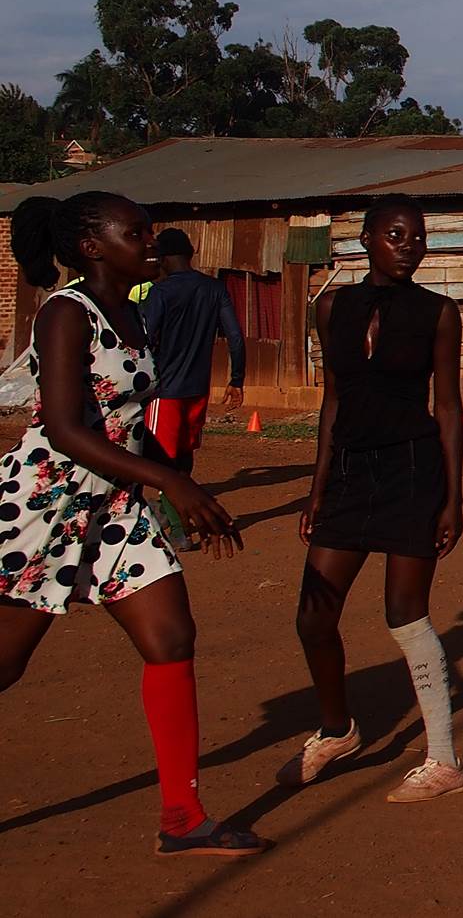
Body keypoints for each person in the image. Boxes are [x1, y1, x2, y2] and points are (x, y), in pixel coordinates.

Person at [0, 191, 265, 858]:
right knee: (5, 663)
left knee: (173, 637)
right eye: (135, 229)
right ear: (91, 245)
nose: (149, 238)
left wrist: (183, 488)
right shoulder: (66, 313)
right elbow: (62, 427)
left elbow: (132, 425)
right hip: (49, 505)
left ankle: (183, 817)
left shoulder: (137, 312)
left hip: (117, 508)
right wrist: (170, 480)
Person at [278, 195, 463, 803]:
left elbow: (447, 406)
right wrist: (315, 491)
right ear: (365, 240)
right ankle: (338, 730)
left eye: (417, 236)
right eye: (395, 234)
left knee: (405, 614)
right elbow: (333, 399)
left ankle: (444, 761)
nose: (409, 244)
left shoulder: (439, 313)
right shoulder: (332, 307)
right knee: (313, 614)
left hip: (414, 473)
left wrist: (453, 500)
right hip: (349, 475)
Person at [139, 228, 245, 546]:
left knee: (161, 464)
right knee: (183, 459)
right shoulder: (214, 288)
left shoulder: (160, 292)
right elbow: (235, 337)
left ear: (163, 257)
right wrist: (236, 380)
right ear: (192, 252)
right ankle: (172, 515)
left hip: (165, 391)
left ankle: (179, 528)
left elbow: (143, 338)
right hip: (198, 390)